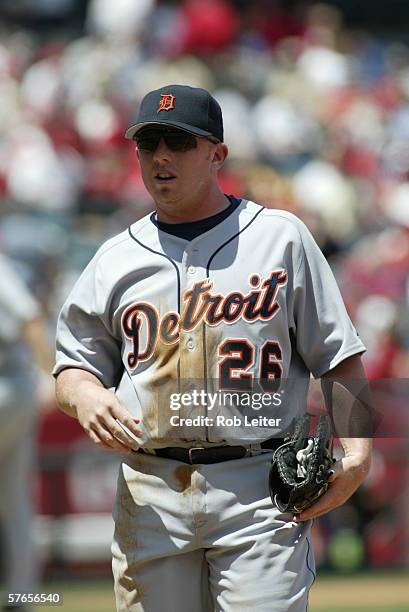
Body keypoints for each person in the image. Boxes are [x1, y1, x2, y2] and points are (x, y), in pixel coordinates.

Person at [54, 84, 372, 612]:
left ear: (217, 154)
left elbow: (340, 356)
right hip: (150, 491)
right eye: (148, 142)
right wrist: (84, 396)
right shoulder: (113, 258)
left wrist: (359, 455)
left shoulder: (280, 237)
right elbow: (72, 368)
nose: (160, 156)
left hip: (261, 488)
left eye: (178, 142)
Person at [0, 252, 53, 612]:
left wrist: (50, 371)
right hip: (17, 385)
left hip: (9, 384)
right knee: (15, 500)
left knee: (15, 499)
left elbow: (30, 316)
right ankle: (23, 596)